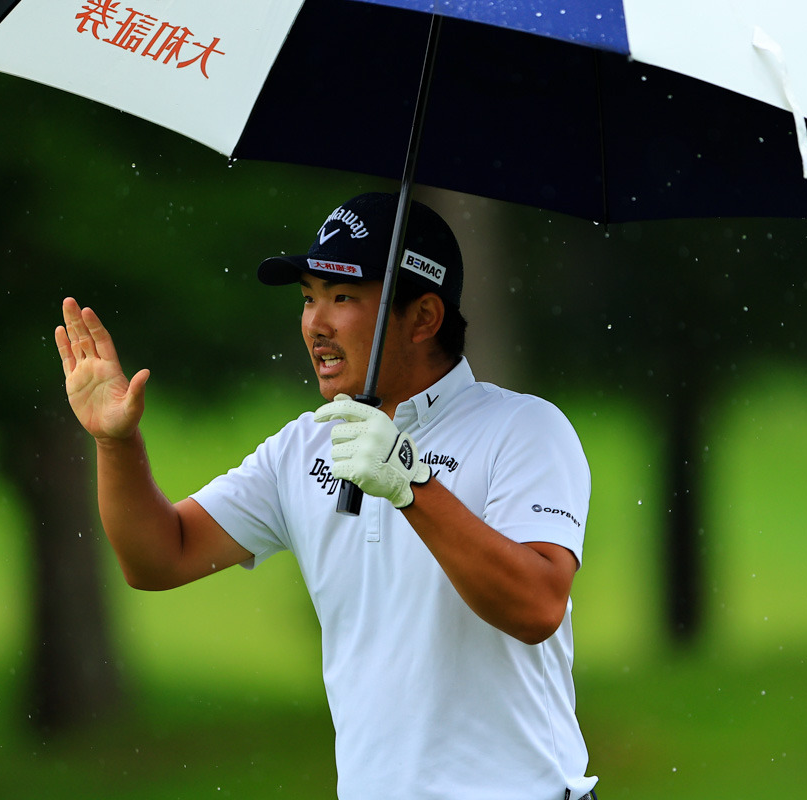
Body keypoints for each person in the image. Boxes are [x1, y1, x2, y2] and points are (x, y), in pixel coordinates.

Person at [54, 192, 598, 800]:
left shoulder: (525, 429)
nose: (316, 322)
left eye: (342, 297)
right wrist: (115, 443)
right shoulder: (304, 446)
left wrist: (410, 485)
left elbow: (537, 606)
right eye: (308, 298)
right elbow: (160, 556)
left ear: (423, 318)